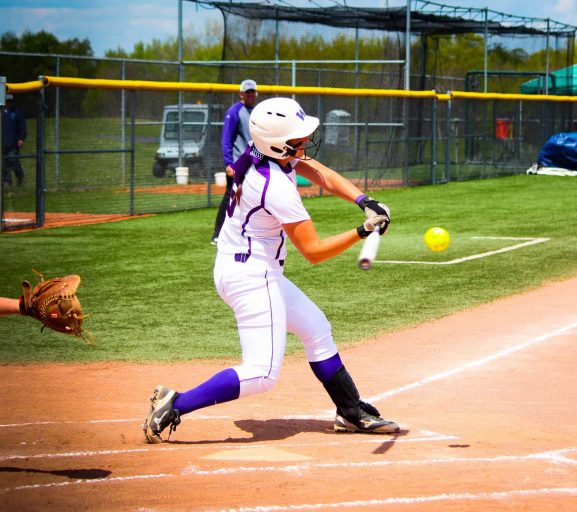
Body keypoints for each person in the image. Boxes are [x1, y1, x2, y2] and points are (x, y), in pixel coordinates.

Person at [143, 97, 398, 444]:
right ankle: (176, 403)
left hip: (246, 267)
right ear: (278, 143)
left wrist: (363, 201)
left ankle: (350, 412)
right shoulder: (274, 187)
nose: (304, 143)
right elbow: (313, 251)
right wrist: (362, 231)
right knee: (262, 373)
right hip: (251, 276)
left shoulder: (263, 153)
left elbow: (317, 170)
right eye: (298, 139)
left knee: (317, 329)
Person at [211, 79, 258, 245]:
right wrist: (228, 163)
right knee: (230, 197)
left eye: (253, 92)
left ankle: (243, 233)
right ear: (241, 94)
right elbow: (226, 139)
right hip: (238, 164)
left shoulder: (257, 112)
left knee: (250, 198)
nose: (250, 94)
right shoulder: (235, 111)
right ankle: (217, 234)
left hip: (254, 163)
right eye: (247, 92)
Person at [2, 94, 27, 187]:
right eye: (7, 102)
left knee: (13, 160)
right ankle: (6, 181)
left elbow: (22, 127)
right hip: (3, 142)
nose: (9, 103)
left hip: (13, 142)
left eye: (10, 101)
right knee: (4, 163)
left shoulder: (17, 113)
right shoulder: (2, 112)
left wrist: (21, 138)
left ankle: (20, 175)